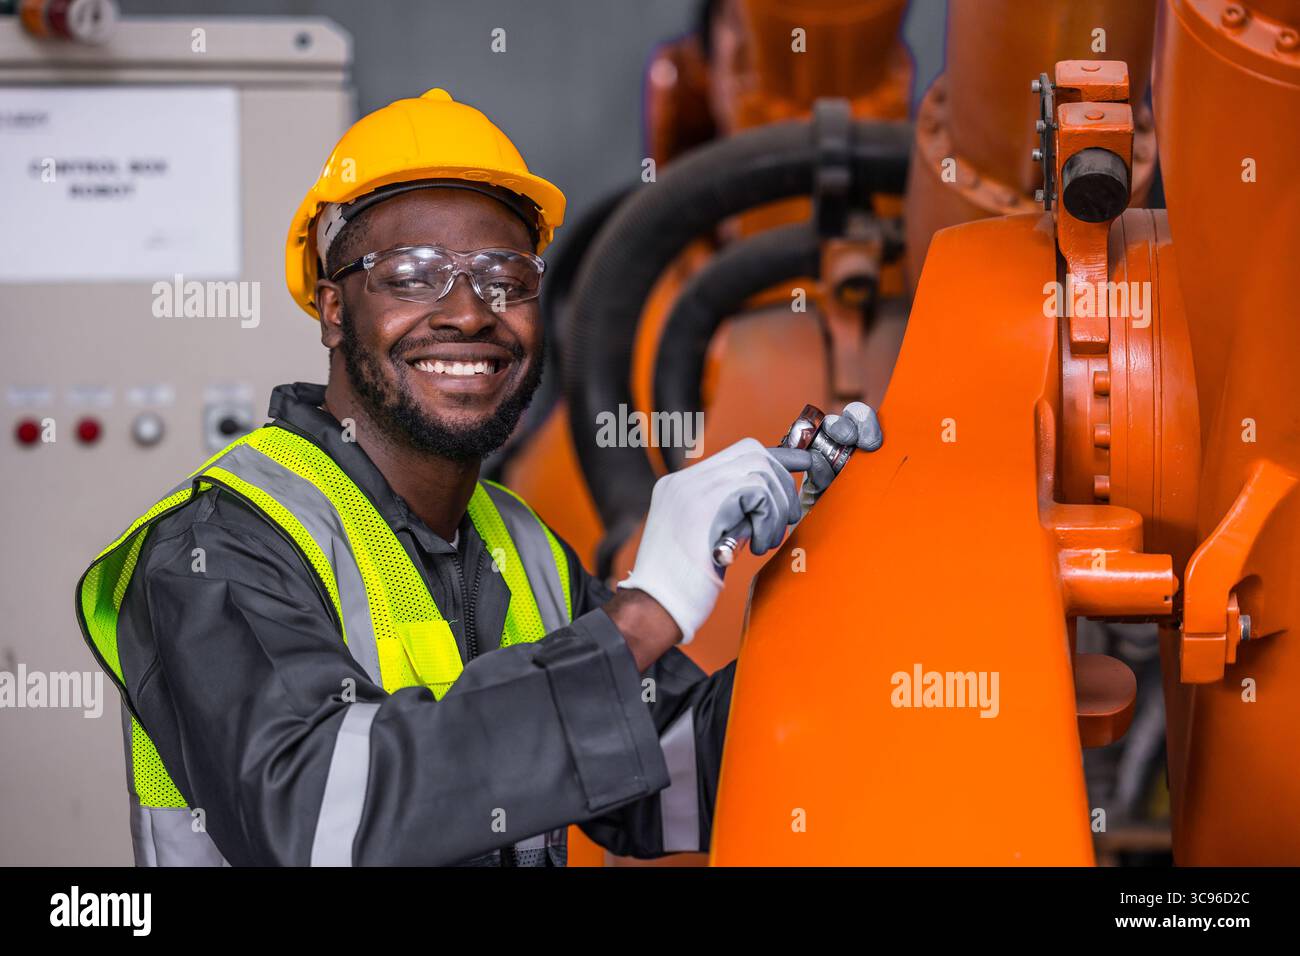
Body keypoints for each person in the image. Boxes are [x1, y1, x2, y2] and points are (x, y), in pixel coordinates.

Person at [76, 88, 882, 866]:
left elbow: (676, 779)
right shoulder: (215, 549)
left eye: (505, 278)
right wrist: (644, 613)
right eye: (412, 273)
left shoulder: (521, 546)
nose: (468, 311)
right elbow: (319, 819)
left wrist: (847, 566)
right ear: (331, 308)